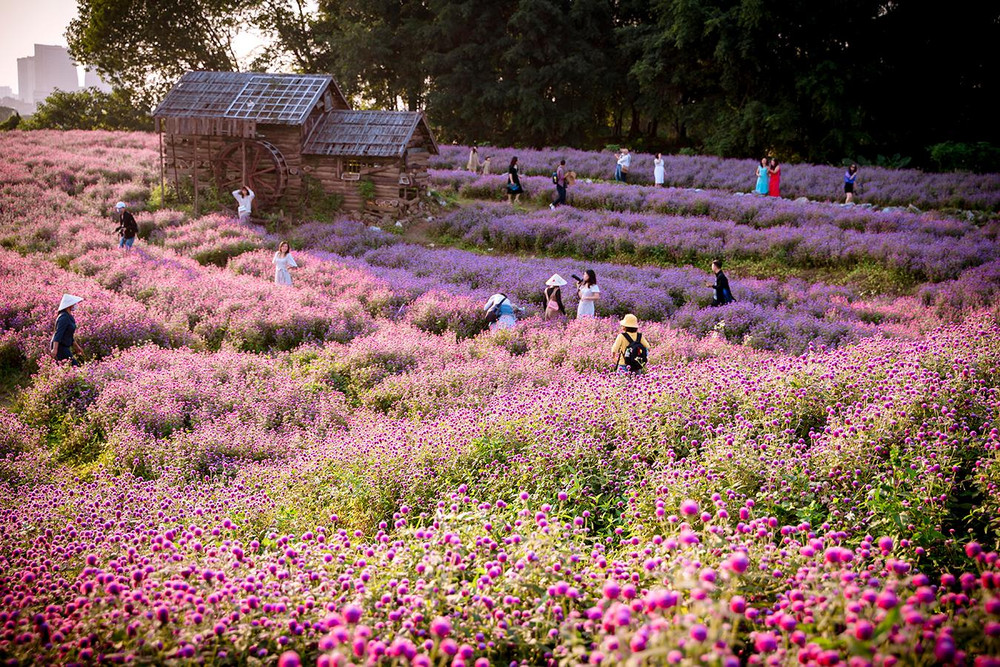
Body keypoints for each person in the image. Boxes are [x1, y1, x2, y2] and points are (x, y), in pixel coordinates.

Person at [51, 294, 84, 365]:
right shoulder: (63, 317)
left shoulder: (69, 317)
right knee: (74, 366)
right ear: (69, 305)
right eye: (74, 304)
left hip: (65, 346)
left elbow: (69, 335)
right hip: (60, 347)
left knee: (69, 367)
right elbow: (58, 334)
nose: (75, 305)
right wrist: (55, 349)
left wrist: (77, 347)